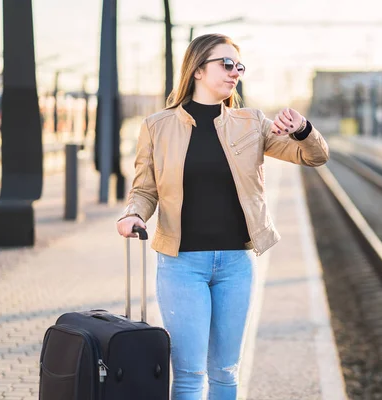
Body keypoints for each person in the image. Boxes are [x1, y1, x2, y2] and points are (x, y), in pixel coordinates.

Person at [116, 33, 329, 400]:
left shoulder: (252, 123)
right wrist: (133, 215)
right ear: (198, 69)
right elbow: (144, 189)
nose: (235, 72)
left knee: (226, 373)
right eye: (226, 64)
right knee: (188, 374)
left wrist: (302, 131)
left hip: (235, 264)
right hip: (181, 264)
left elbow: (313, 157)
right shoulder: (157, 126)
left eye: (239, 66)